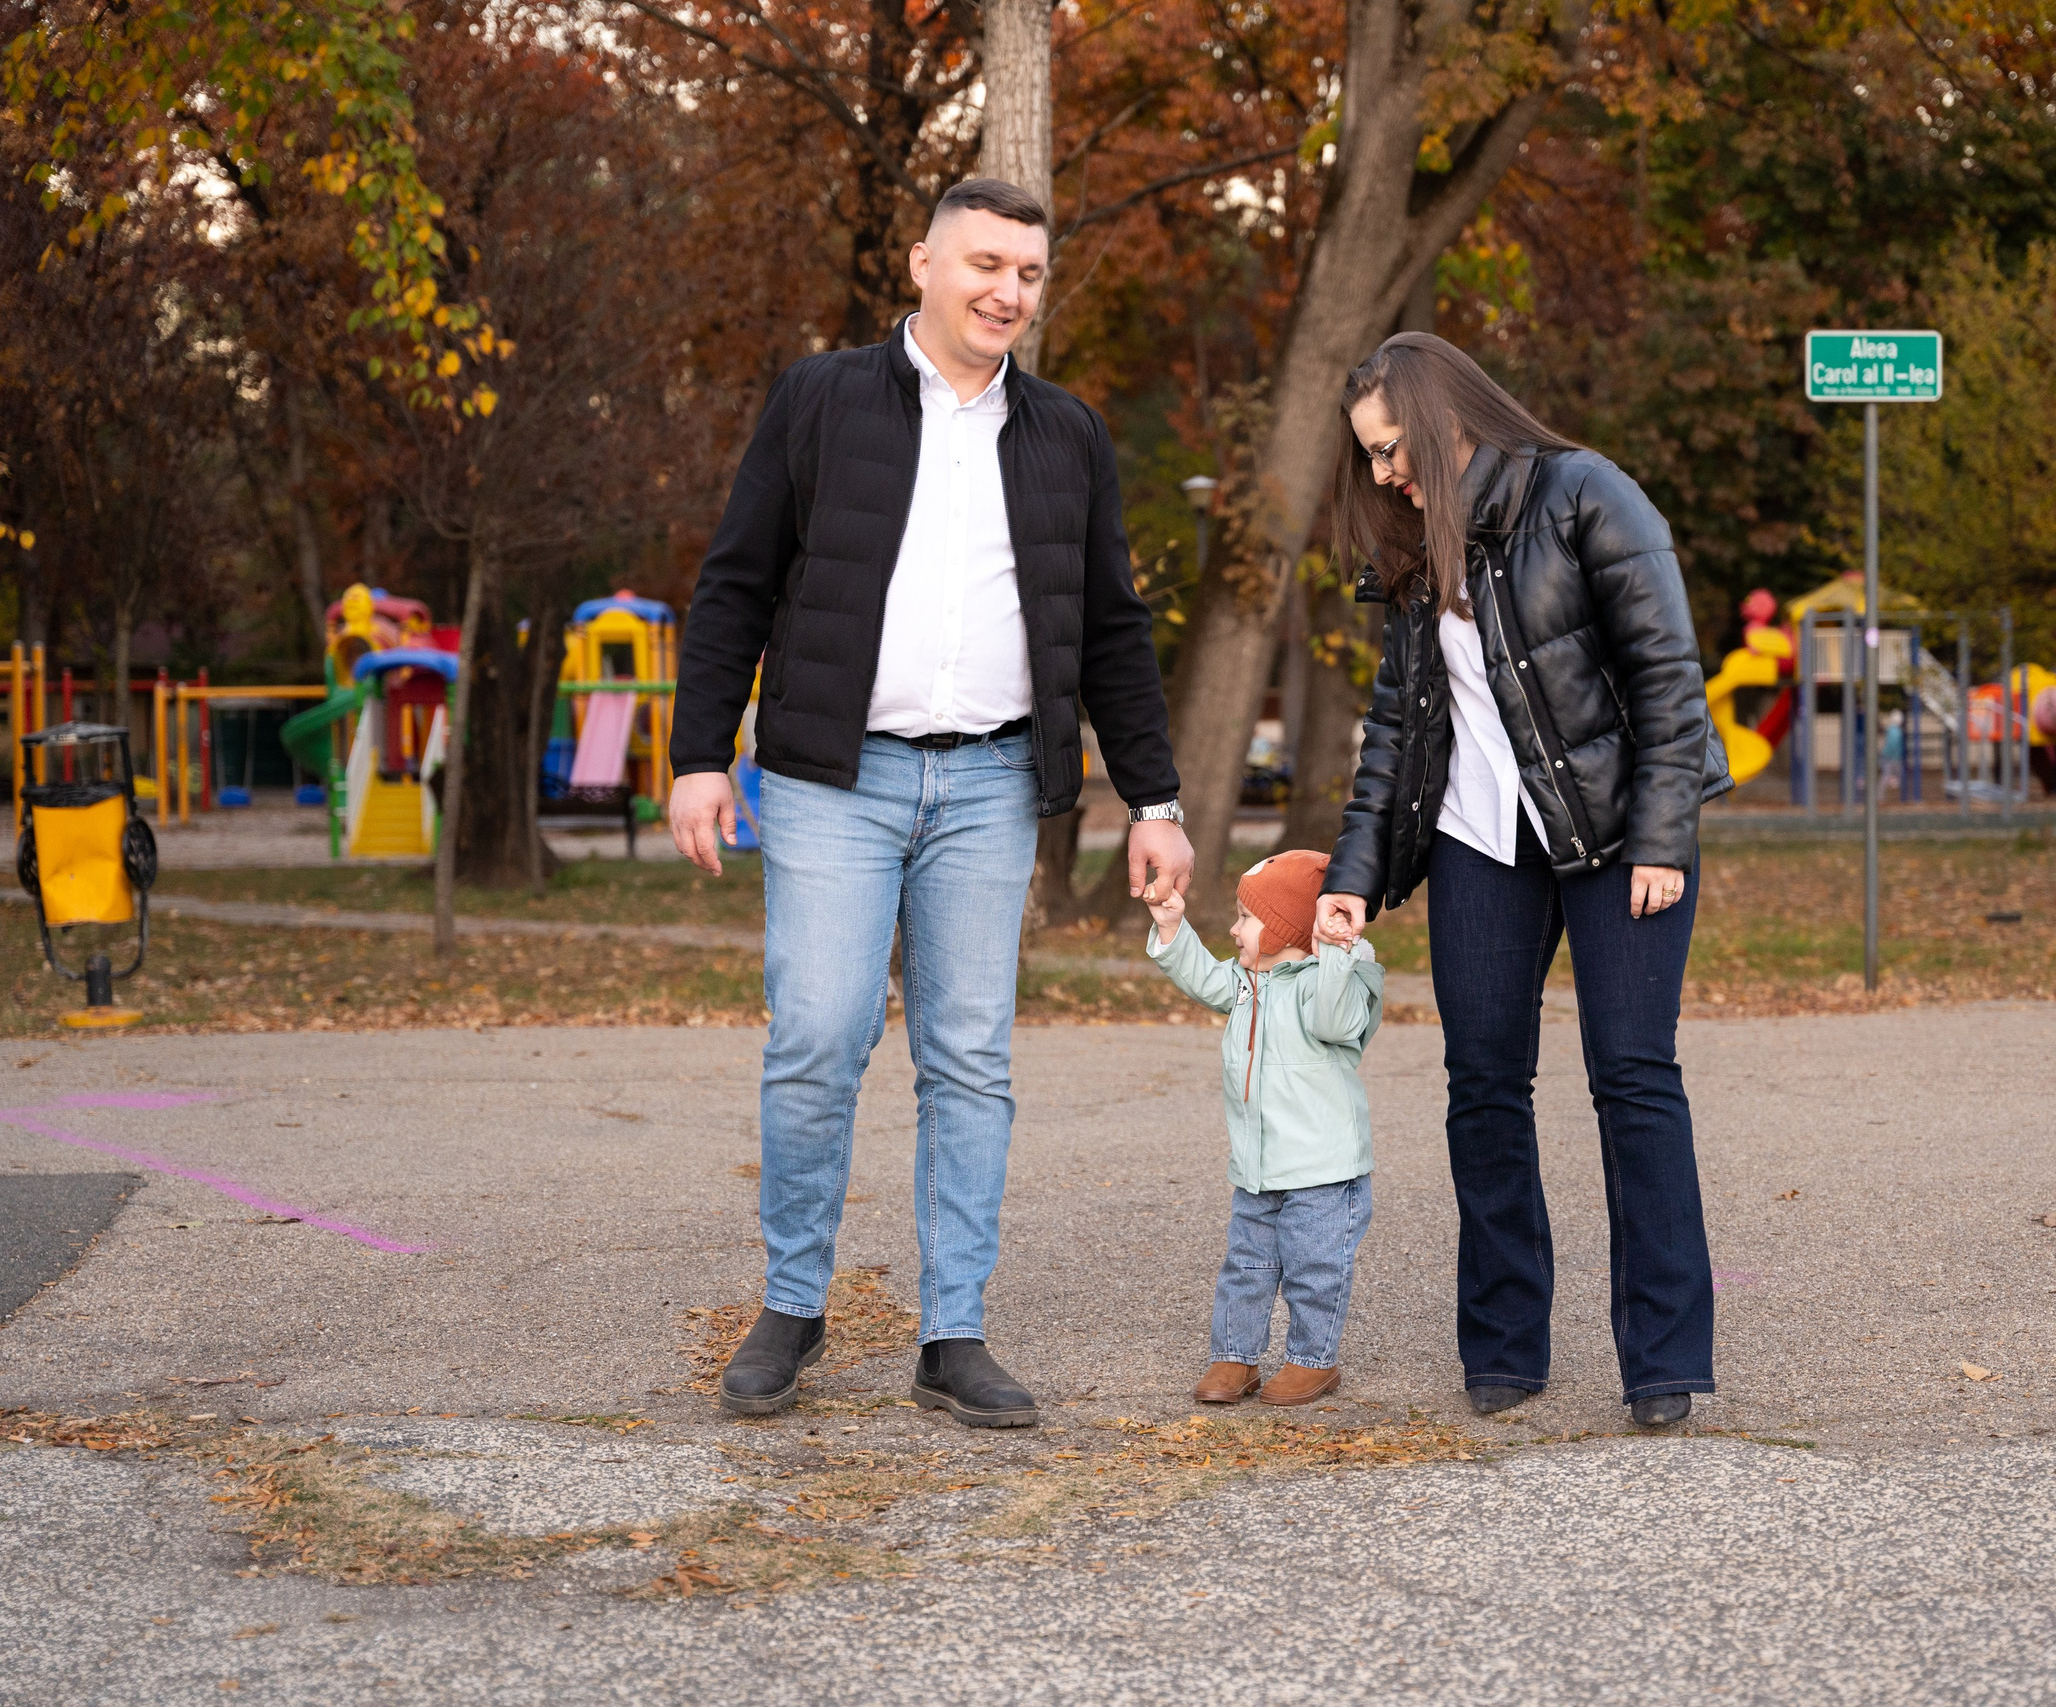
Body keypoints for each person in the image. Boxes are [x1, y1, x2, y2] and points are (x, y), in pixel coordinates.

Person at [666, 178, 1195, 1425]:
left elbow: (1112, 630)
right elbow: (735, 583)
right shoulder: (820, 401)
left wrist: (1156, 800)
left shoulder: (1067, 434)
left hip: (992, 782)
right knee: (818, 1040)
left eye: (1029, 273)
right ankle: (793, 1307)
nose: (1008, 290)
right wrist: (699, 755)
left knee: (970, 1058)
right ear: (922, 263)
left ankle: (952, 1334)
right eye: (986, 264)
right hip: (831, 780)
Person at [1311, 333, 1733, 1430]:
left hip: (1610, 838)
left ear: (1446, 417)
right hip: (1478, 844)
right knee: (1481, 1085)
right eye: (1368, 457)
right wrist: (1354, 872)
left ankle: (1664, 1362)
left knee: (1633, 1080)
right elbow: (1397, 728)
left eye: (1392, 448)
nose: (1383, 475)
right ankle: (1503, 1345)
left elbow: (1669, 684)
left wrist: (1660, 840)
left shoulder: (1585, 494)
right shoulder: (1415, 553)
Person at [1144, 849, 1384, 1407]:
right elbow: (1204, 979)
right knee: (1246, 1266)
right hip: (1258, 1165)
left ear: (1285, 930)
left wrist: (1336, 951)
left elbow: (1332, 1021)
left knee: (1314, 1268)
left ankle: (1312, 1360)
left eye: (1247, 918)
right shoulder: (1249, 981)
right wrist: (1172, 928)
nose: (1234, 928)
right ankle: (1235, 1356)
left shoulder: (1331, 985)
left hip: (1324, 1170)